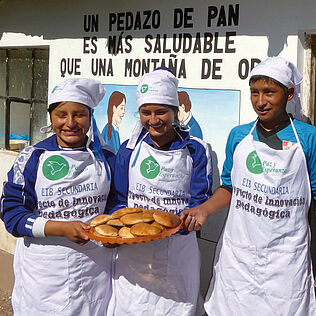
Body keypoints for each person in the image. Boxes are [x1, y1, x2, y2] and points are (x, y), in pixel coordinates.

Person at [181, 56, 316, 315]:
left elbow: (315, 202)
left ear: (288, 94)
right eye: (254, 93)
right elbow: (230, 187)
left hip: (287, 259)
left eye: (269, 92)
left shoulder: (309, 138)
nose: (260, 101)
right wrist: (205, 210)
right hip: (239, 256)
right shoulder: (239, 136)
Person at [1, 78, 117, 316]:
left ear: (90, 116)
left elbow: (116, 204)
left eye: (79, 115)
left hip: (95, 268)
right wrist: (61, 228)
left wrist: (114, 231)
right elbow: (12, 215)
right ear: (51, 117)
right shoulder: (33, 157)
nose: (70, 123)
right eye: (61, 114)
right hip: (45, 273)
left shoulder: (107, 157)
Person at [108, 67, 213, 315]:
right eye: (146, 112)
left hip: (177, 250)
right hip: (133, 251)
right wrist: (117, 230)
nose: (153, 120)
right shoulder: (128, 150)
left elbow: (200, 199)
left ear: (175, 112)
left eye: (161, 112)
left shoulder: (196, 150)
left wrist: (189, 219)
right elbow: (119, 199)